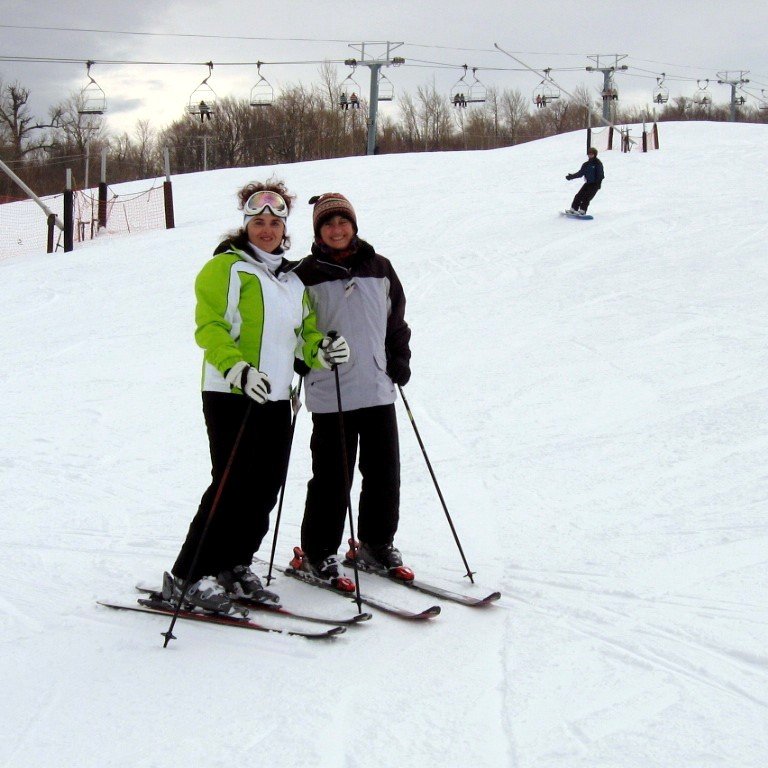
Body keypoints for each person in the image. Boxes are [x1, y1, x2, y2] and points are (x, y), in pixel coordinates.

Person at [166, 181, 349, 613]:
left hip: (276, 396)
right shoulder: (226, 268)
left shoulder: (291, 281)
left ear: (284, 229)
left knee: (265, 486)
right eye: (259, 222)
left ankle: (234, 565)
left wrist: (321, 350)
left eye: (274, 223)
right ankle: (189, 575)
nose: (267, 230)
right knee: (231, 485)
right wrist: (237, 369)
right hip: (232, 393)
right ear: (246, 225)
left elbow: (303, 336)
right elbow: (210, 327)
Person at [290, 193, 412, 591]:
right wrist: (301, 357)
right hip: (331, 391)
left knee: (384, 473)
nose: (336, 229)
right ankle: (318, 552)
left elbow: (396, 321)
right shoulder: (303, 274)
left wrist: (399, 358)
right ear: (318, 231)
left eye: (342, 221)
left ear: (354, 225)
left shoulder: (380, 267)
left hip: (377, 387)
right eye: (328, 223)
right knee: (332, 478)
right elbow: (293, 327)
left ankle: (376, 544)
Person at [565, 147, 605, 215]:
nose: (590, 155)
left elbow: (601, 175)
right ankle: (573, 209)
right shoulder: (586, 164)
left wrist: (598, 184)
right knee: (578, 196)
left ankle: (582, 211)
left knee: (586, 197)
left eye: (592, 154)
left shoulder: (598, 163)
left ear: (595, 154)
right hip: (588, 183)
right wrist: (571, 176)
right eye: (589, 154)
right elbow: (580, 173)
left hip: (595, 184)